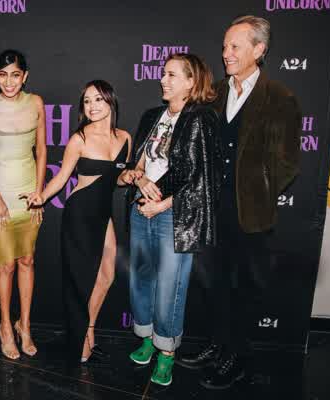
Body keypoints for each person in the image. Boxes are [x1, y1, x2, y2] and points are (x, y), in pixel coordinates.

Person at [176, 16, 301, 390]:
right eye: (225, 46)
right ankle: (217, 345)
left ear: (259, 50)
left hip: (250, 215)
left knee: (243, 289)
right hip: (211, 212)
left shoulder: (280, 98)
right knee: (214, 284)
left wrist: (256, 192)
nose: (226, 53)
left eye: (235, 46)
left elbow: (287, 163)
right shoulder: (214, 93)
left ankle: (238, 359)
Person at [126, 53, 221, 386]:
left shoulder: (201, 119)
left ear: (191, 82)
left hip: (173, 217)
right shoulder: (152, 116)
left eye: (171, 75)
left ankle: (166, 352)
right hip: (140, 209)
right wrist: (139, 179)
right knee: (141, 280)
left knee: (170, 286)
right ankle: (147, 339)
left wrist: (162, 205)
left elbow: (203, 180)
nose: (163, 80)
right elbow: (137, 164)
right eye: (163, 74)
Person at [25, 80, 134, 364]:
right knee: (80, 282)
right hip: (79, 215)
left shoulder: (125, 138)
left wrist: (130, 177)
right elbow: (62, 178)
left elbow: (116, 179)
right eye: (87, 101)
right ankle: (80, 341)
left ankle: (89, 330)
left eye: (98, 99)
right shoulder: (79, 139)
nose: (92, 106)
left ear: (110, 100)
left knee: (107, 275)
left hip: (103, 214)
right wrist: (41, 196)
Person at [0, 49, 47, 360]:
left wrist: (39, 193)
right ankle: (5, 326)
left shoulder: (36, 103)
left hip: (28, 197)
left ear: (24, 76)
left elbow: (41, 150)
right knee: (7, 265)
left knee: (27, 261)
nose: (9, 81)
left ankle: (24, 325)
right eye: (3, 75)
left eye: (15, 75)